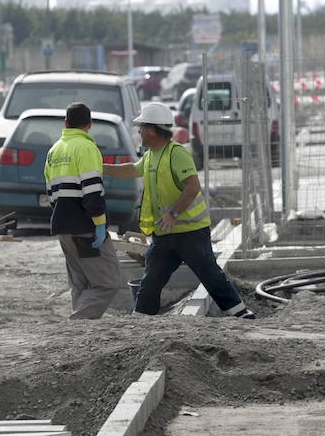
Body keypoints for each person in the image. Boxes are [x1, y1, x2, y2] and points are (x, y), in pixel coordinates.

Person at [102, 102, 255, 319]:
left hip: (190, 232)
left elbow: (193, 187)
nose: (139, 131)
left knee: (209, 275)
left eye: (142, 127)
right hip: (165, 234)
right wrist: (102, 167)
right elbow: (132, 169)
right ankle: (140, 319)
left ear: (153, 130)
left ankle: (241, 315)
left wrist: (173, 214)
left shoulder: (177, 154)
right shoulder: (151, 154)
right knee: (152, 278)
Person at [44, 102, 122, 319]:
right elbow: (92, 190)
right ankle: (77, 322)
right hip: (84, 227)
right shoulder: (86, 148)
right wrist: (99, 225)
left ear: (66, 123)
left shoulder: (54, 150)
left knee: (80, 283)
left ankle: (79, 333)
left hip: (62, 225)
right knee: (108, 283)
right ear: (90, 124)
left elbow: (51, 193)